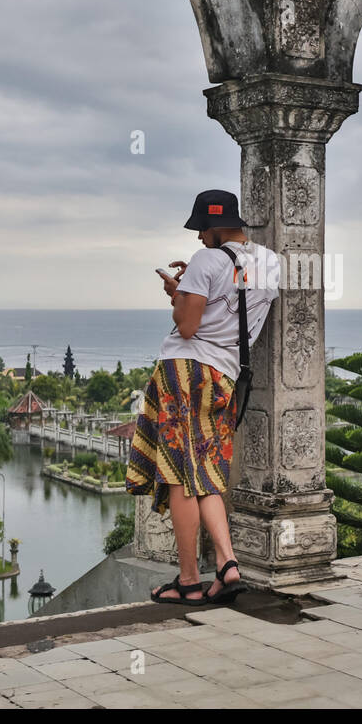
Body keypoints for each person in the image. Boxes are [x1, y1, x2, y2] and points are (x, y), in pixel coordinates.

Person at [125, 189, 280, 605]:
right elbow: (232, 303)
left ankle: (189, 580)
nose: (197, 239)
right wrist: (192, 286)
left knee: (179, 477)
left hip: (185, 372)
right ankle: (227, 565)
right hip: (225, 377)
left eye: (200, 230)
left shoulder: (206, 260)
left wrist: (178, 293)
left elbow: (189, 326)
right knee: (206, 472)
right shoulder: (271, 263)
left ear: (213, 228)